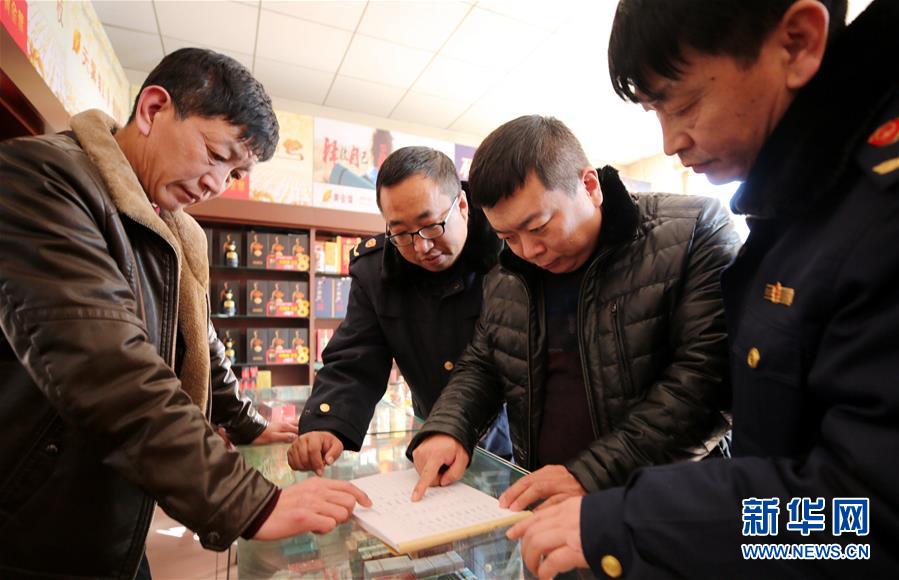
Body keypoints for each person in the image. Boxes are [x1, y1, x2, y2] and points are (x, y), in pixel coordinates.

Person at [511, 0, 899, 577]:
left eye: (684, 103)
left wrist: (631, 522)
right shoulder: (804, 203)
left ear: (796, 42)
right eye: (655, 112)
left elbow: (866, 524)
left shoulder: (878, 212)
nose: (672, 142)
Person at [0, 48, 369, 579]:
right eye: (216, 155)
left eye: (234, 173)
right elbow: (107, 366)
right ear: (153, 109)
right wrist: (246, 500)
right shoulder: (42, 178)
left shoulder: (171, 225)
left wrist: (244, 421)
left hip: (109, 515)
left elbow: (199, 341)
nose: (217, 184)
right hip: (28, 525)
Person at [407, 115, 740, 509]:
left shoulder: (694, 231)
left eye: (539, 227)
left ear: (589, 186)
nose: (528, 251)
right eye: (508, 236)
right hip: (547, 503)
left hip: (666, 505)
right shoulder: (508, 273)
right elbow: (485, 362)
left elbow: (708, 380)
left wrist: (592, 474)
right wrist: (449, 427)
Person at [288, 146, 512, 475]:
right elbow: (356, 358)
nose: (421, 246)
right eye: (401, 233)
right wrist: (327, 423)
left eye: (431, 225)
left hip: (512, 443)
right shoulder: (376, 272)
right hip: (431, 435)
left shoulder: (511, 252)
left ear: (462, 206)